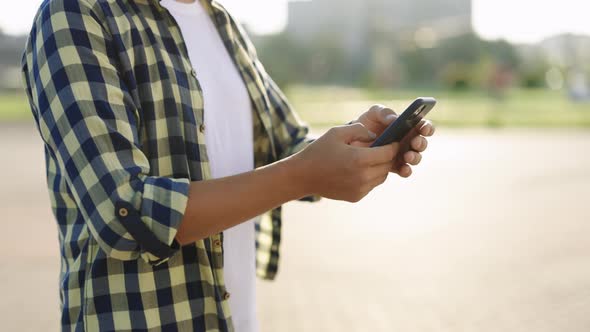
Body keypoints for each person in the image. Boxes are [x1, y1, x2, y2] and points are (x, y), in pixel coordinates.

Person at [21, 0, 435, 331]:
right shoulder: (75, 14)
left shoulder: (220, 21)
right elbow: (126, 213)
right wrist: (305, 172)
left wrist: (359, 142)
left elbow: (283, 145)